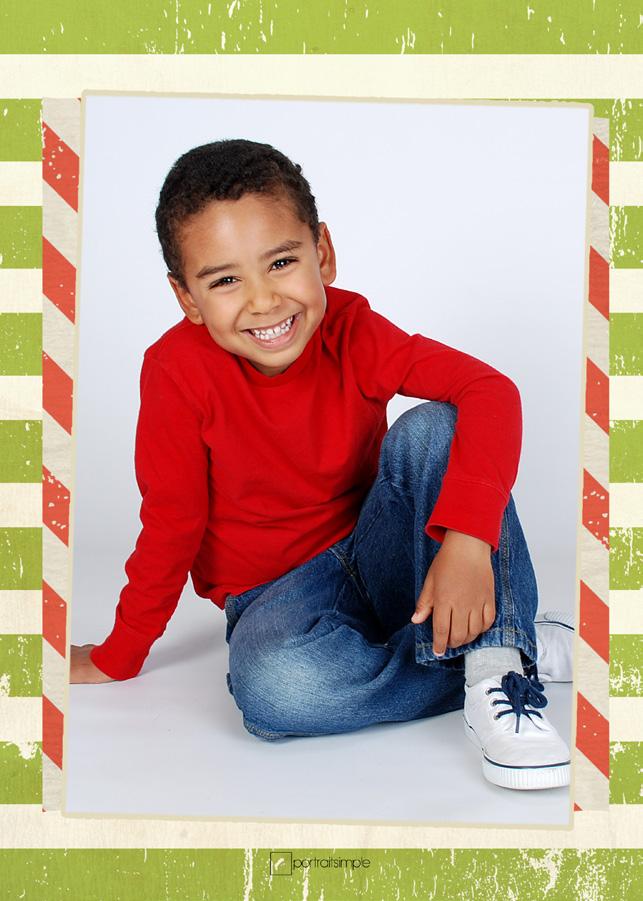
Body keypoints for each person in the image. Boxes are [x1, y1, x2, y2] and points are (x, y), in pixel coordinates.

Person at [71, 139, 574, 791]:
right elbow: (172, 523)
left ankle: (496, 670)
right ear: (187, 298)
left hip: (382, 552)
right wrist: (119, 655)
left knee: (435, 427)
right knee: (274, 691)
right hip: (277, 597)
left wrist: (469, 543)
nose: (262, 301)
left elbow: (489, 391)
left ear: (323, 252)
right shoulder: (175, 371)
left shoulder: (351, 328)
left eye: (281, 262)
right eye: (224, 280)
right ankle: (502, 638)